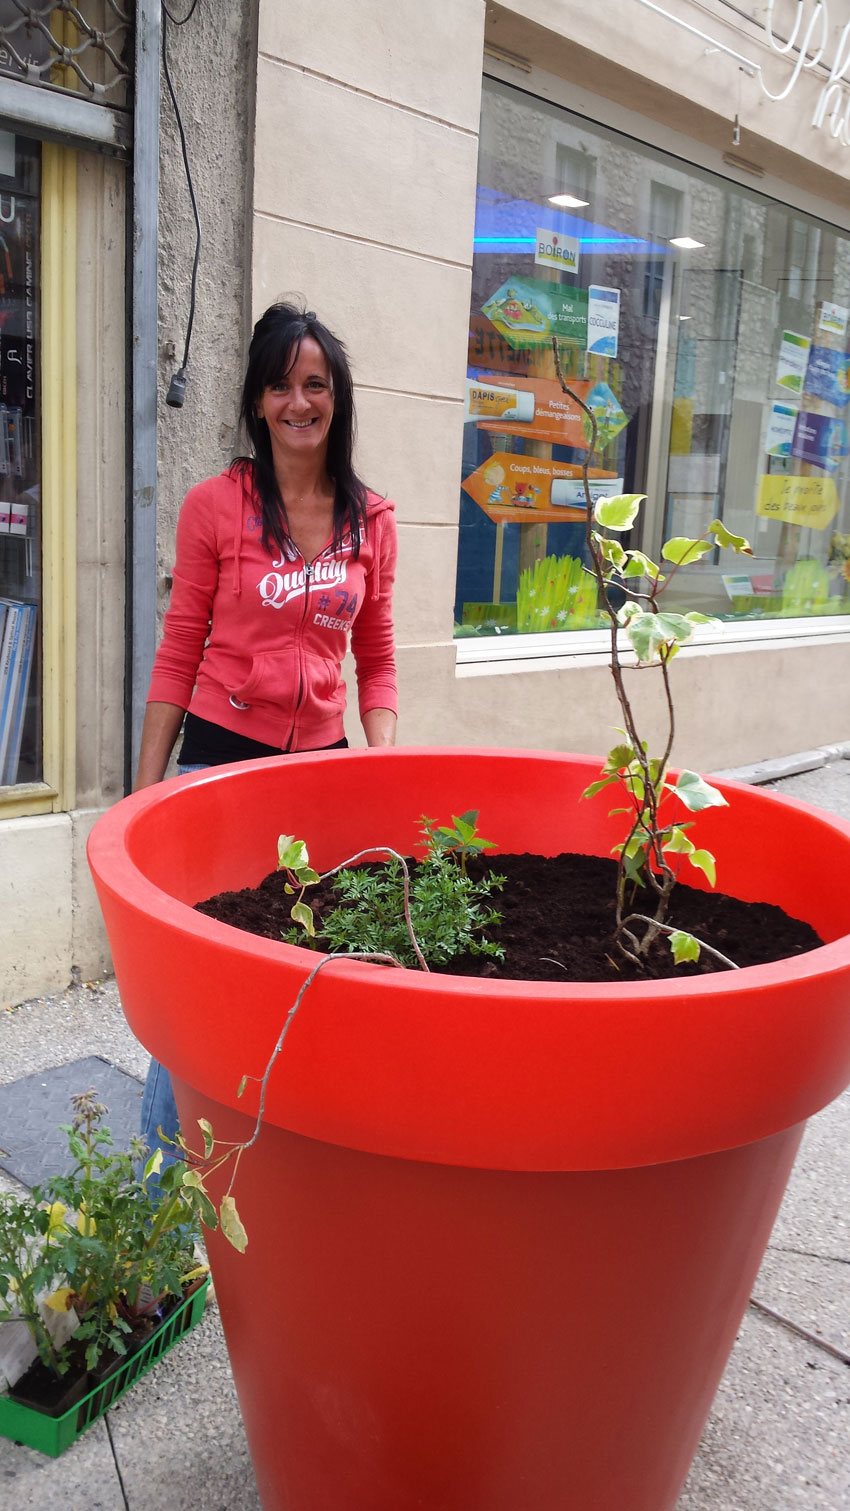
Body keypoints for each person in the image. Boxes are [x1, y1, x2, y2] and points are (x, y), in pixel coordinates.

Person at [135, 301, 398, 1165]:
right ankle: (160, 1211)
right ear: (256, 400)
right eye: (281, 383)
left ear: (337, 397)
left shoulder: (372, 522)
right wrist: (145, 796)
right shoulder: (217, 506)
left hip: (322, 769)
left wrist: (379, 767)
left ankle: (282, 1164)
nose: (299, 400)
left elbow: (378, 655)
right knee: (196, 980)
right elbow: (179, 649)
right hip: (218, 760)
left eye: (315, 383)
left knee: (308, 964)